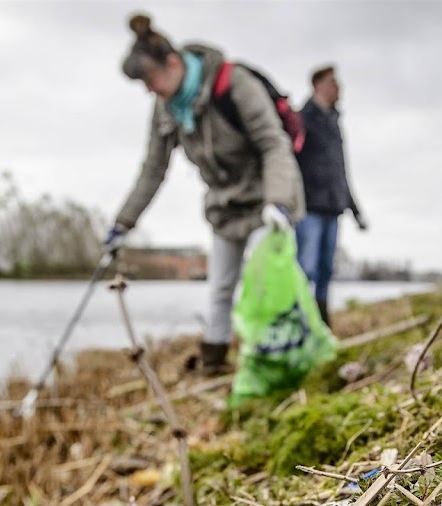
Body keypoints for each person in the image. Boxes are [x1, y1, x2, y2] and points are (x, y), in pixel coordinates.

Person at [105, 13, 305, 375]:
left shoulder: (234, 84)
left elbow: (275, 145)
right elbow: (153, 169)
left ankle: (276, 361)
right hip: (225, 207)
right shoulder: (167, 109)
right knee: (220, 288)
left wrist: (278, 201)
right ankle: (213, 364)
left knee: (264, 283)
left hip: (266, 203)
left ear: (174, 62)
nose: (150, 90)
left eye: (151, 79)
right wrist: (123, 223)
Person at [295, 65, 367, 328]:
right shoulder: (302, 119)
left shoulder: (334, 123)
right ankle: (300, 322)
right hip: (309, 207)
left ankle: (322, 323)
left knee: (326, 269)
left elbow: (341, 171)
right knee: (306, 266)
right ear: (317, 86)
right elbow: (289, 163)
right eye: (333, 83)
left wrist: (355, 210)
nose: (339, 88)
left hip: (333, 207)